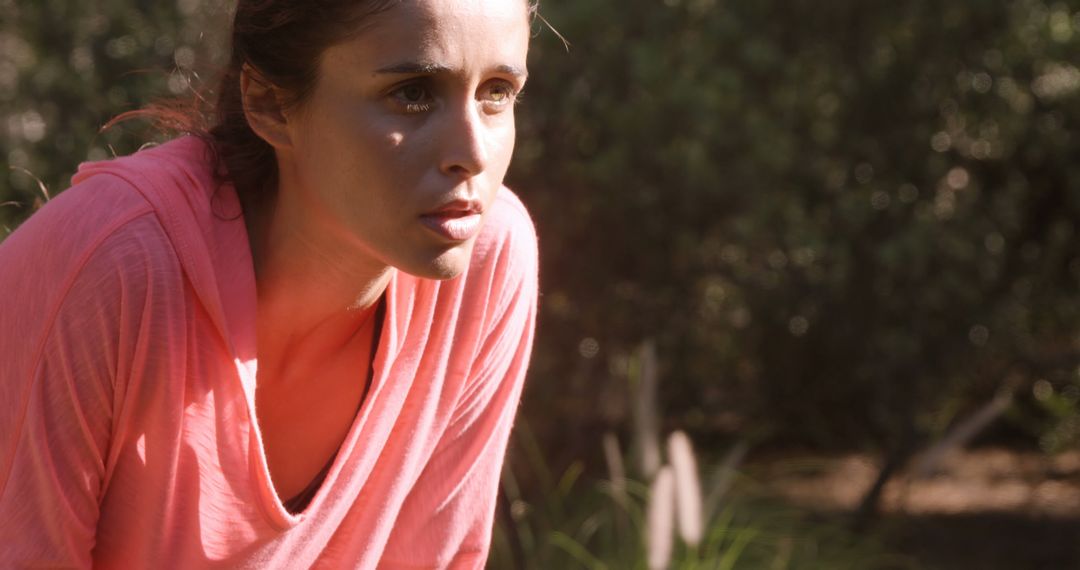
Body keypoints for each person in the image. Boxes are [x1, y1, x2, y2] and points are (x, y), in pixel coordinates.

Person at [0, 0, 538, 567]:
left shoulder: (487, 259)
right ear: (269, 103)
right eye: (412, 94)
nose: (472, 153)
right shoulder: (111, 264)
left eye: (497, 92)